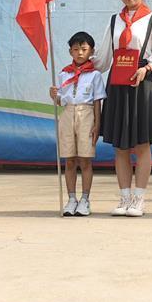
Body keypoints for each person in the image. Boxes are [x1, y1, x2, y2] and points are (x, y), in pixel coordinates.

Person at [93, 0, 152, 217]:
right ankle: (124, 198)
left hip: (141, 83)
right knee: (120, 146)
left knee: (142, 144)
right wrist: (80, 66)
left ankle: (139, 199)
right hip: (117, 83)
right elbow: (104, 57)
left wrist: (147, 68)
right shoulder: (115, 20)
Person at [49, 31, 106, 216]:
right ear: (70, 52)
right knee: (69, 159)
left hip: (86, 114)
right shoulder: (63, 73)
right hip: (67, 114)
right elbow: (60, 101)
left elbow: (97, 101)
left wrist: (97, 124)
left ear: (91, 51)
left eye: (84, 49)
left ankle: (85, 199)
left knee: (85, 159)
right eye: (75, 49)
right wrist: (54, 96)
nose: (80, 53)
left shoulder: (95, 75)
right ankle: (71, 199)